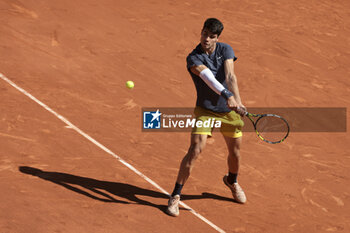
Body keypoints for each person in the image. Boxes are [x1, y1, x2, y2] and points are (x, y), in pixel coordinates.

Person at [166, 18, 247, 217]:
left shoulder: (226, 49)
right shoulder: (193, 58)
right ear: (201, 32)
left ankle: (232, 181)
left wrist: (239, 101)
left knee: (235, 154)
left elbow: (230, 77)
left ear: (217, 38)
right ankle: (175, 195)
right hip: (206, 111)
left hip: (228, 112)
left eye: (212, 36)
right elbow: (208, 78)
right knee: (195, 150)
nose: (207, 39)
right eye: (204, 34)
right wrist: (228, 96)